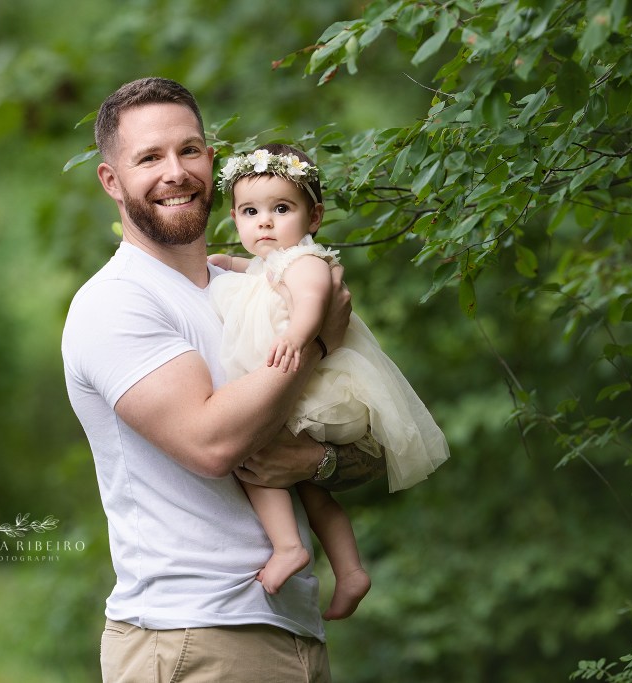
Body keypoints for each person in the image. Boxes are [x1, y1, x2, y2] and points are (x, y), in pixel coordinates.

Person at [62, 77, 385, 682]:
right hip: (192, 634)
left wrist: (314, 462)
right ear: (111, 180)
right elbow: (212, 445)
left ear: (211, 160)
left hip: (292, 630)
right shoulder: (117, 303)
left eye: (189, 150)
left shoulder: (256, 291)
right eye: (149, 158)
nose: (175, 172)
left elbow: (371, 447)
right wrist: (317, 343)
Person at [207, 143, 451, 619]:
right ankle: (351, 570)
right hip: (302, 388)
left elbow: (313, 299)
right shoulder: (270, 262)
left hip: (313, 388)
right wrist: (221, 262)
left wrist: (298, 336)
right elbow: (250, 272)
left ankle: (288, 548)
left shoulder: (306, 261)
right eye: (250, 212)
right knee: (312, 490)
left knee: (255, 456)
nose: (265, 222)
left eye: (281, 209)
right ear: (235, 218)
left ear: (314, 216)